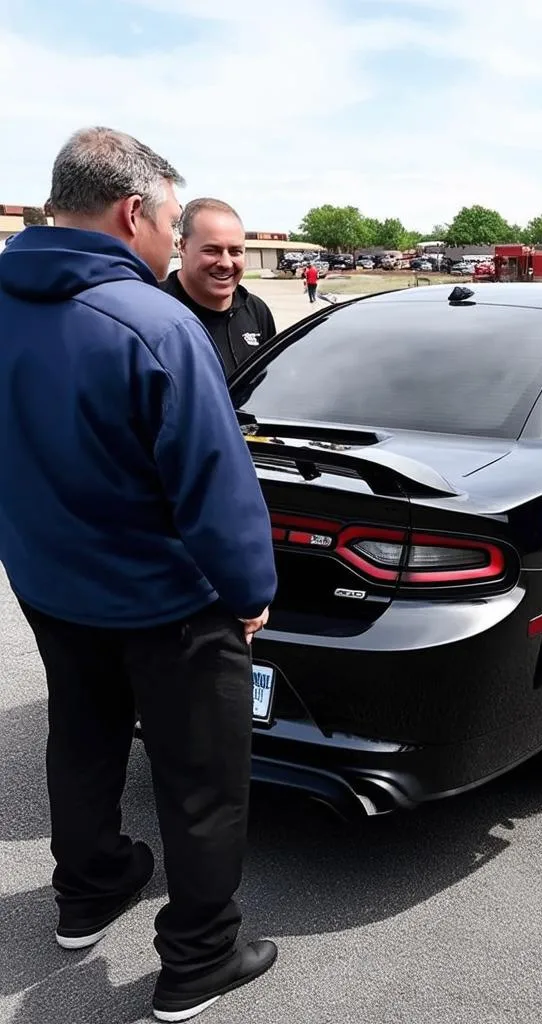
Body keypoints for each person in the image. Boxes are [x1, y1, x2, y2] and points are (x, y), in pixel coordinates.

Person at [0, 126, 279, 1022]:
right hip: (165, 601)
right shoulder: (154, 322)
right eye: (169, 221)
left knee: (81, 737)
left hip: (50, 583)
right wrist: (249, 592)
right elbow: (213, 484)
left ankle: (89, 891)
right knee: (201, 778)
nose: (168, 241)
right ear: (134, 213)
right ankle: (200, 955)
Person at [160, 197, 276, 376]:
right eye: (211, 250)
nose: (226, 263)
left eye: (235, 251)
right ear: (182, 246)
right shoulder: (156, 312)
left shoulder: (256, 311)